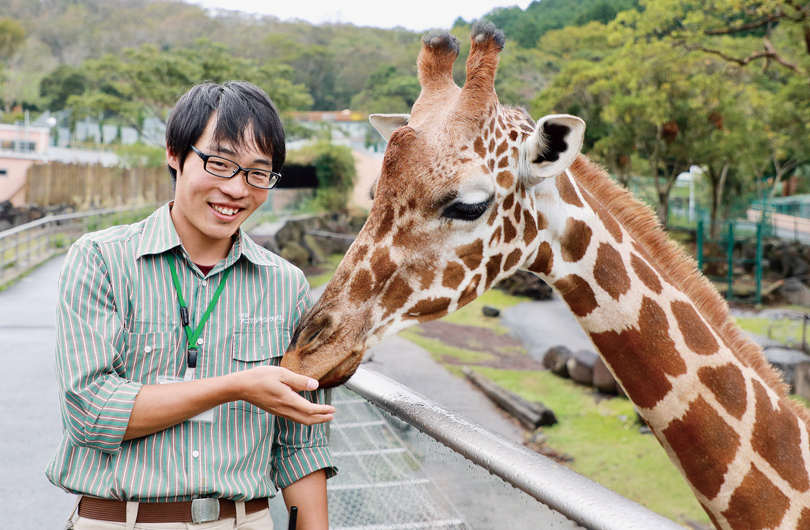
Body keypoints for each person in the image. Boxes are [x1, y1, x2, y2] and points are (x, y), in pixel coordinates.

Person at [46, 81, 337, 530]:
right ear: (174, 154)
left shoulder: (286, 284)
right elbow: (91, 413)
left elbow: (300, 446)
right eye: (219, 164)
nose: (238, 189)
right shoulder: (101, 259)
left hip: (245, 521)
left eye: (258, 174)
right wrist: (235, 386)